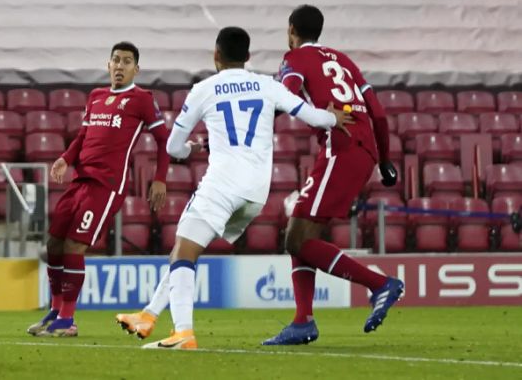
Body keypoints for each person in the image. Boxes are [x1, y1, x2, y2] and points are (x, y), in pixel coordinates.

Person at [128, 27, 350, 350]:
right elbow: (311, 115)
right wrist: (333, 119)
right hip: (256, 193)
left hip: (222, 184)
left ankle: (183, 333)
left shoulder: (203, 89)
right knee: (186, 249)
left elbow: (173, 146)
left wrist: (190, 149)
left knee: (184, 252)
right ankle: (148, 315)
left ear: (216, 55)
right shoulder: (267, 85)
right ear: (248, 57)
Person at [263, 5, 402, 346]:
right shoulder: (343, 60)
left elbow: (288, 95)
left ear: (291, 30)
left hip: (340, 148)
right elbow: (379, 114)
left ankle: (380, 284)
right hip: (363, 148)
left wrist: (258, 119)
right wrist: (384, 159)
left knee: (296, 239)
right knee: (300, 231)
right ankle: (302, 321)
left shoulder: (293, 59)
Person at [27, 41, 171, 338]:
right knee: (54, 244)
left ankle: (68, 320)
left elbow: (163, 140)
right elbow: (83, 135)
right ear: (108, 65)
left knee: (74, 246)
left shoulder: (142, 99)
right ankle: (55, 310)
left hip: (107, 186)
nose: (120, 66)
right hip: (80, 180)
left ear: (136, 69)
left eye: (127, 61)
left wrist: (160, 178)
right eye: (116, 60)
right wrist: (66, 158)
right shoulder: (95, 97)